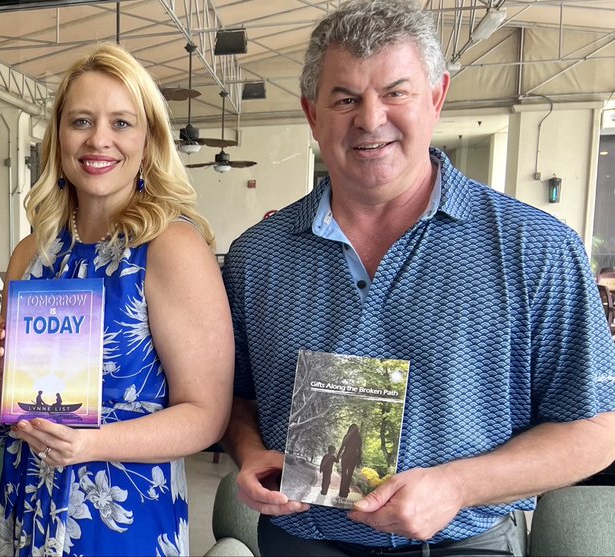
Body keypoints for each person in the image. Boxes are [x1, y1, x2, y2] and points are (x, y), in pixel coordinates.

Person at [219, 1, 615, 555]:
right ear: (313, 114)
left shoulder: (533, 248)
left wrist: (458, 486)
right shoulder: (258, 257)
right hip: (302, 540)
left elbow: (596, 431)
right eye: (345, 98)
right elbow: (235, 399)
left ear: (436, 97)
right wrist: (249, 449)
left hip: (464, 544)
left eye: (395, 92)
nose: (370, 118)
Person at [0, 43, 234, 556]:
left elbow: (207, 415)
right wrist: (5, 375)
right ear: (58, 136)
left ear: (148, 140)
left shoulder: (171, 248)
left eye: (121, 122)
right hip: (30, 496)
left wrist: (90, 444)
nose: (99, 140)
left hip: (121, 514)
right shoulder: (32, 252)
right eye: (81, 121)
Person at [335, 424, 362, 499]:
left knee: (344, 474)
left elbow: (341, 447)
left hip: (345, 456)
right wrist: (359, 460)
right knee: (349, 475)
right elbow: (359, 450)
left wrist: (337, 457)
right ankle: (345, 492)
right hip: (353, 457)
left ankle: (341, 492)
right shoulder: (358, 438)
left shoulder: (346, 436)